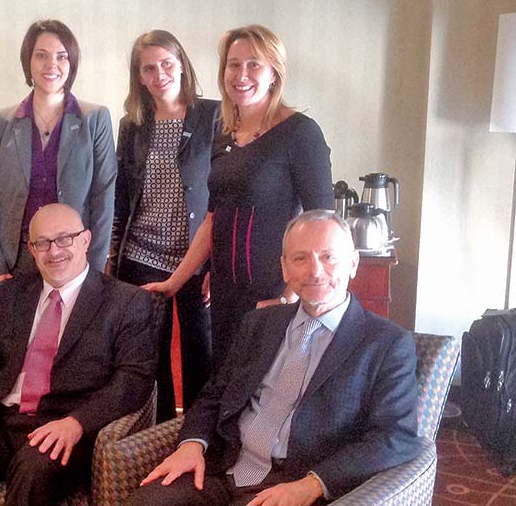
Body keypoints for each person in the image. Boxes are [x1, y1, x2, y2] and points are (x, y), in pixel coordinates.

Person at [125, 210, 422, 506]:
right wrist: (192, 443)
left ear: (353, 263)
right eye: (300, 258)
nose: (315, 271)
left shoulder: (387, 344)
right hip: (221, 467)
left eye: (329, 257)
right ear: (285, 269)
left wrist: (314, 483)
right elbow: (215, 392)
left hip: (295, 481)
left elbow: (394, 437)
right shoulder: (259, 323)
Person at [0, 203, 156, 506]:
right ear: (32, 250)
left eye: (64, 239)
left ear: (85, 240)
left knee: (32, 472)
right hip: (1, 423)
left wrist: (78, 422)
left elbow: (134, 378)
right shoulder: (11, 295)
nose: (54, 251)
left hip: (66, 426)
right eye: (42, 243)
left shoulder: (126, 301)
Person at [144, 25, 333, 371]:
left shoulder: (300, 133)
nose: (241, 75)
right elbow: (213, 219)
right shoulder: (224, 134)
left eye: (253, 65)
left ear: (274, 73)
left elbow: (324, 226)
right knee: (227, 389)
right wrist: (175, 281)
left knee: (266, 397)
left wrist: (289, 296)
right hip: (224, 293)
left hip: (273, 295)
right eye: (233, 65)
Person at [111, 30, 218, 422]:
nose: (160, 74)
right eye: (149, 68)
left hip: (194, 258)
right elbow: (122, 194)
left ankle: (196, 434)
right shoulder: (132, 124)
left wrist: (216, 263)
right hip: (142, 256)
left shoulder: (213, 117)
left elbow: (225, 195)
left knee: (198, 352)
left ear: (182, 65)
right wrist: (113, 255)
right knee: (148, 356)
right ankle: (154, 434)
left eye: (167, 64)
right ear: (139, 77)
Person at [0, 19, 117, 294]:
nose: (51, 65)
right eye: (41, 55)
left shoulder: (95, 119)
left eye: (61, 56)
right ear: (28, 61)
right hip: (17, 258)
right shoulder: (3, 121)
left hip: (75, 257)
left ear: (71, 63)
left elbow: (104, 196)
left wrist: (96, 268)